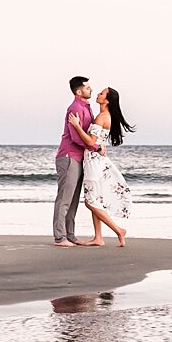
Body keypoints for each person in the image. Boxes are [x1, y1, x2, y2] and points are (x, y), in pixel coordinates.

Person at [67, 86, 134, 247]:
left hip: (94, 162)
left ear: (107, 100)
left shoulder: (102, 117)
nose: (98, 94)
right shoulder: (104, 116)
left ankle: (119, 230)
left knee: (90, 202)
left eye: (102, 93)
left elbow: (90, 142)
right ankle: (98, 237)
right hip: (95, 160)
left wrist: (76, 126)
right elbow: (95, 142)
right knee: (95, 200)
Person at [54, 76, 103, 247]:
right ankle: (60, 237)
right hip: (69, 156)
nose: (91, 90)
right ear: (79, 91)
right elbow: (75, 137)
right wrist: (95, 147)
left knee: (74, 199)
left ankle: (70, 235)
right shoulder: (75, 108)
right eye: (87, 88)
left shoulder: (87, 108)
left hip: (79, 158)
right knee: (65, 198)